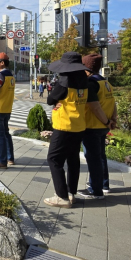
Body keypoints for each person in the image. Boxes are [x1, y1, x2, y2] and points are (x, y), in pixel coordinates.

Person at [43, 52, 93, 208]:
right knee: (73, 160)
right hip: (79, 125)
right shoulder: (85, 80)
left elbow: (50, 99)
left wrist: (56, 100)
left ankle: (61, 196)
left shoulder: (64, 81)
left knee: (54, 159)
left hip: (64, 125)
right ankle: (71, 193)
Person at [79, 54, 117, 198]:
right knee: (101, 156)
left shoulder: (90, 84)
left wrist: (107, 121)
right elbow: (113, 104)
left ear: (86, 68)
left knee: (93, 159)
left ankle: (96, 190)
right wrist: (113, 120)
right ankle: (104, 184)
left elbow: (95, 108)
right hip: (103, 126)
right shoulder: (106, 83)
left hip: (92, 126)